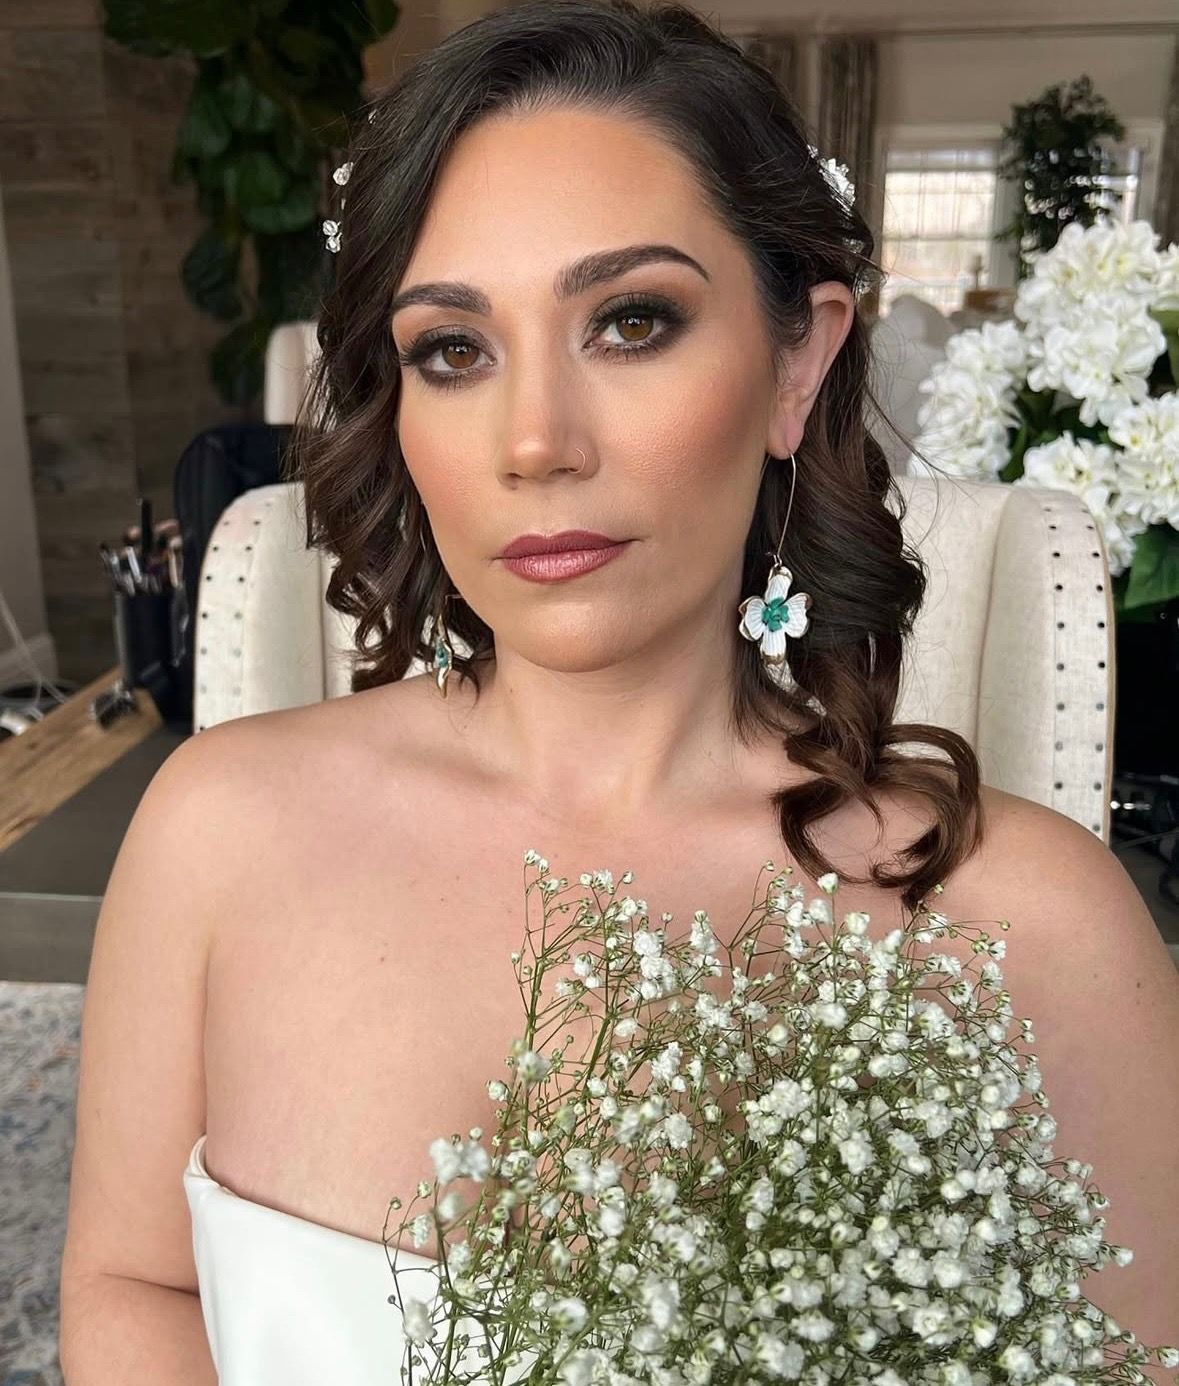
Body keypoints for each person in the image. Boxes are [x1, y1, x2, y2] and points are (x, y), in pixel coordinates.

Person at [57, 1, 1179, 1381]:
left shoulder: (1040, 930)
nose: (535, 441)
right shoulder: (215, 832)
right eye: (452, 349)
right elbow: (135, 1283)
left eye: (631, 321)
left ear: (798, 359)